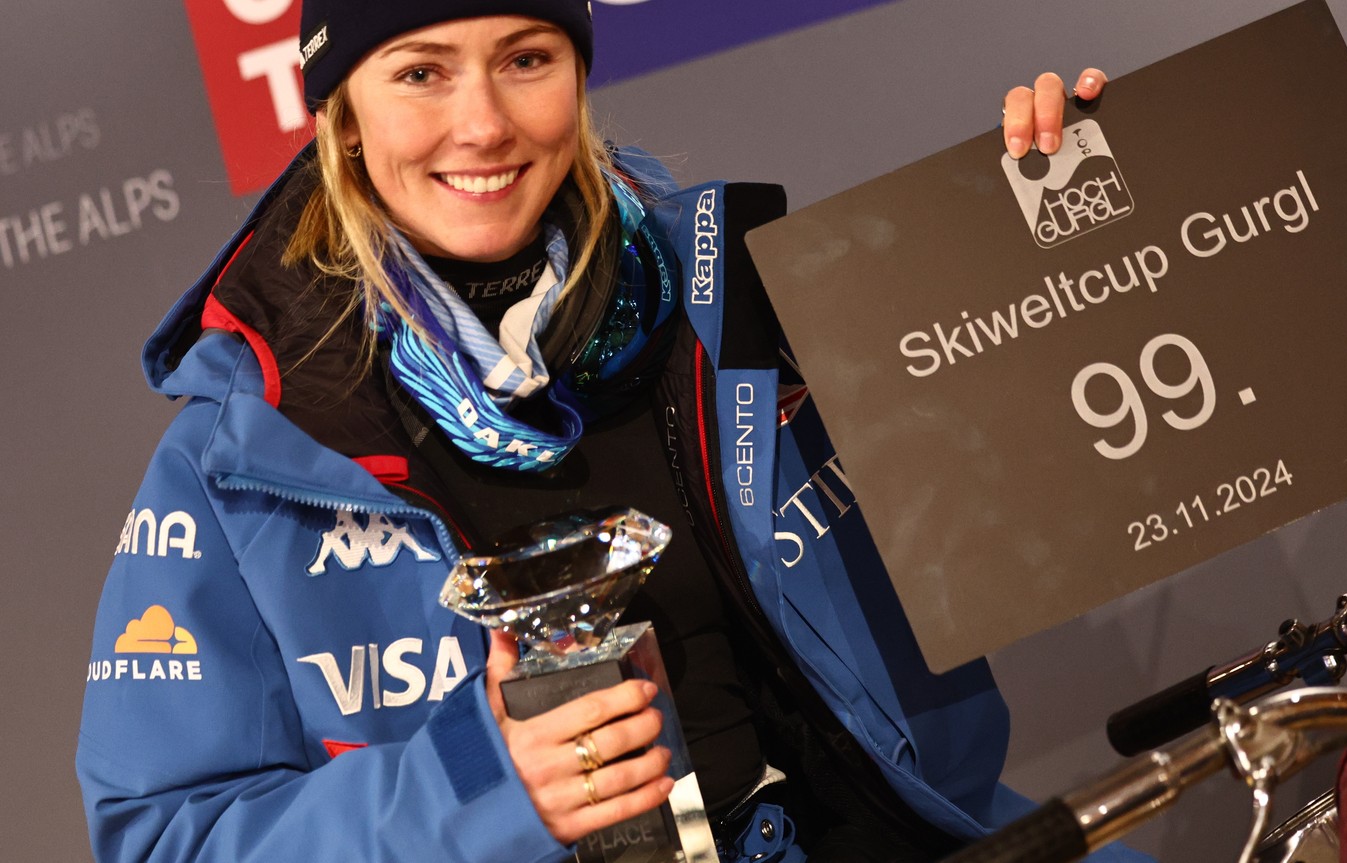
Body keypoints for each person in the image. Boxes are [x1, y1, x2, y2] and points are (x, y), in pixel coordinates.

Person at [76, 2, 1145, 861]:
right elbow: (170, 835)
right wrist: (480, 783)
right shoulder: (246, 453)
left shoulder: (738, 294)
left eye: (525, 59)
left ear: (578, 74)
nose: (483, 123)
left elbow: (1042, 446)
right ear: (343, 113)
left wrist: (1069, 218)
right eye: (421, 72)